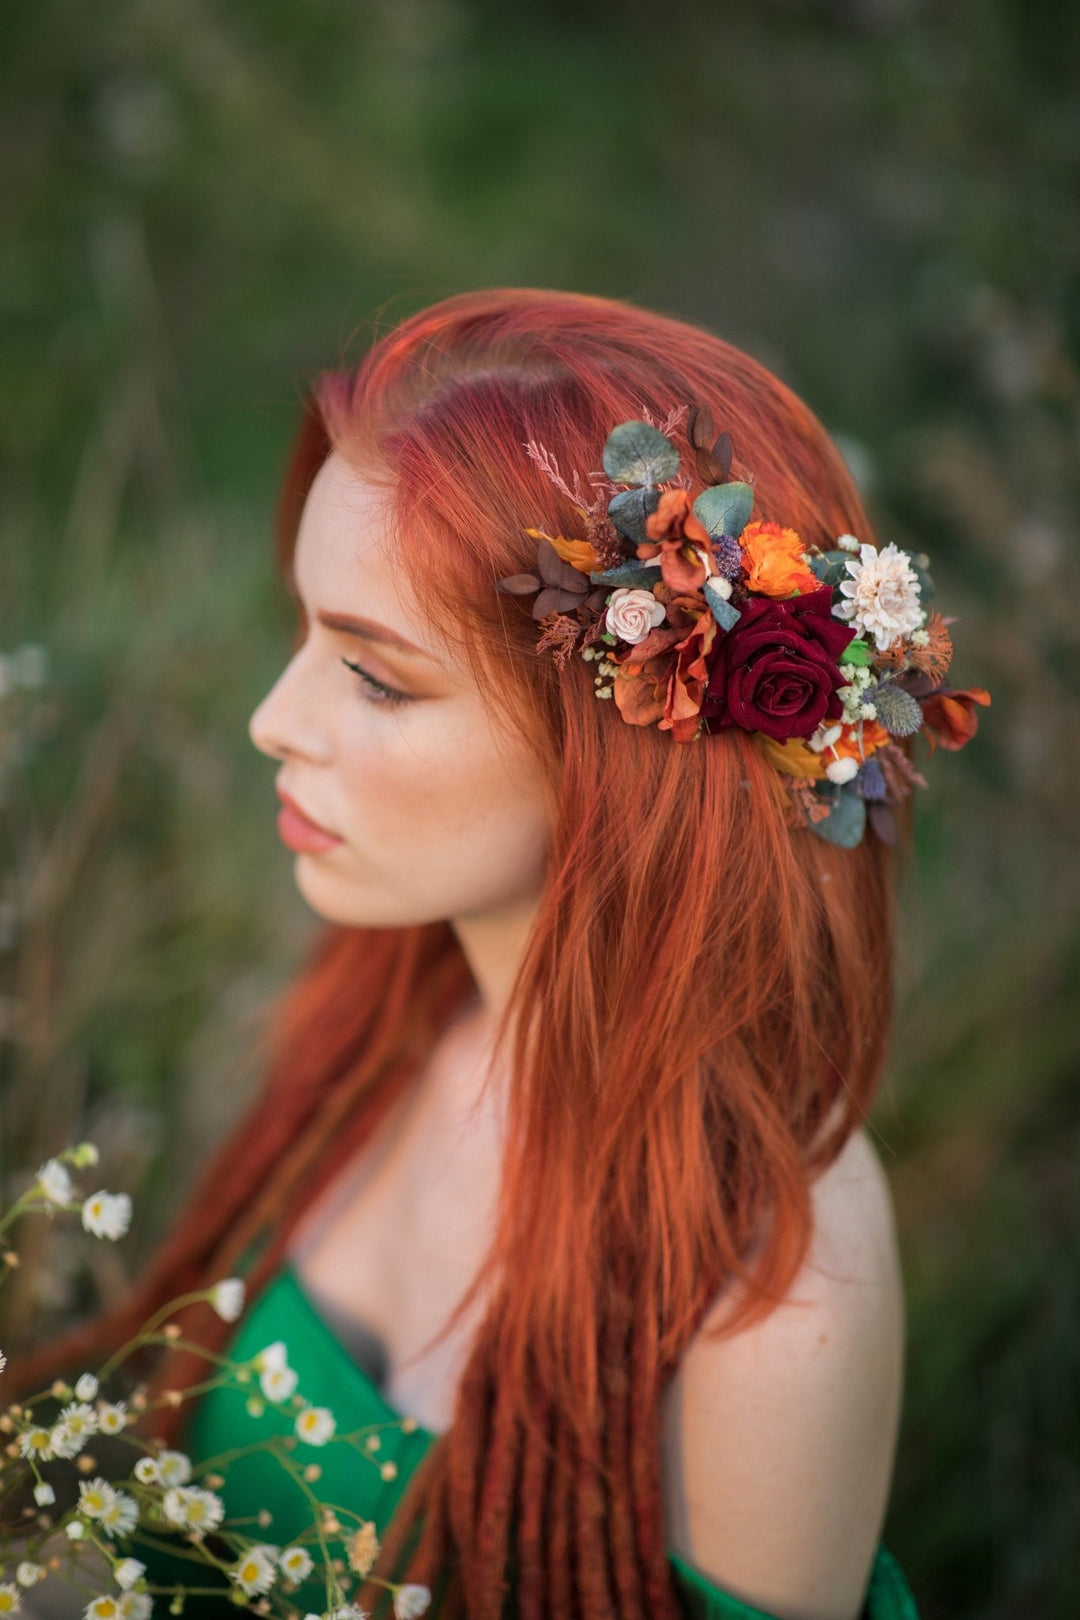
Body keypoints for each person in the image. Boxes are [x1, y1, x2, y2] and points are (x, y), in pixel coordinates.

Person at [10, 287, 936, 1620]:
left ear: (621, 748)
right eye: (302, 632)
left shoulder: (776, 1279)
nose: (274, 721)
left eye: (377, 677)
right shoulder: (383, 1020)